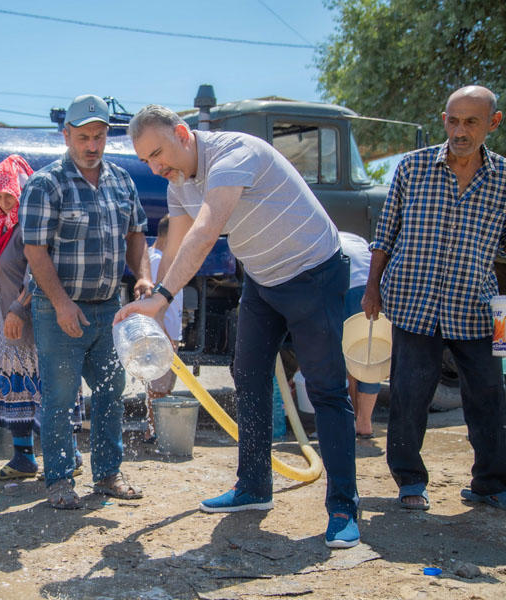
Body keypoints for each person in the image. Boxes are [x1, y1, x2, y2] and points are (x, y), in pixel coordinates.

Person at [115, 105, 360, 548]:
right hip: (264, 280)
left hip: (313, 272)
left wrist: (163, 298)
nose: (156, 166)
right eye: (146, 160)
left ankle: (343, 507)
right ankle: (254, 487)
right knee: (247, 376)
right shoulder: (177, 183)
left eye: (158, 153)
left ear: (183, 134)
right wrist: (156, 305)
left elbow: (205, 233)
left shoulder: (234, 155)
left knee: (325, 389)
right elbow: (175, 246)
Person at [362, 85, 506, 511]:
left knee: (490, 397)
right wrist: (372, 288)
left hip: (476, 308)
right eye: (453, 120)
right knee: (410, 395)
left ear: (493, 124)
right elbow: (384, 233)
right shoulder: (413, 167)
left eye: (471, 121)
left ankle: (489, 483)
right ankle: (409, 480)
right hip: (413, 300)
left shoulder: (504, 181)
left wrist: (505, 318)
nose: (459, 130)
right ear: (444, 119)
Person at [19, 94, 153, 509]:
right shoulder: (46, 184)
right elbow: (35, 251)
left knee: (112, 390)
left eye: (99, 137)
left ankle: (108, 474)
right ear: (66, 136)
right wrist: (60, 304)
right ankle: (59, 481)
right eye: (83, 137)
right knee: (60, 396)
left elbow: (136, 235)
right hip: (58, 309)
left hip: (108, 307)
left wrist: (144, 276)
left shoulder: (121, 181)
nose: (92, 145)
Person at [0, 155, 83, 481]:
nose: (3, 199)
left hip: (35, 324)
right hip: (11, 330)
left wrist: (18, 308)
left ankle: (71, 455)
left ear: (24, 189)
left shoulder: (31, 225)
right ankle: (23, 459)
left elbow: (37, 272)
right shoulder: (5, 227)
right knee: (20, 394)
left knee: (48, 392)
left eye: (9, 192)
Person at [144, 214, 184, 443]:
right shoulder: (159, 260)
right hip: (162, 335)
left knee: (161, 385)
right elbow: (155, 303)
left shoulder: (154, 256)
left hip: (165, 333)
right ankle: (154, 430)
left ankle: (156, 428)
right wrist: (166, 336)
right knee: (158, 387)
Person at [338, 231, 381, 439]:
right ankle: (365, 423)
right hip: (372, 288)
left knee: (344, 356)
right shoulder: (355, 237)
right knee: (370, 357)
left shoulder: (320, 239)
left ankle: (349, 420)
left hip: (347, 288)